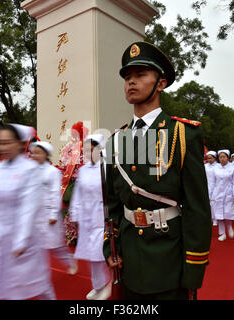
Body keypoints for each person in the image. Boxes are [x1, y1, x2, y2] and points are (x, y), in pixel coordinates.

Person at [103, 41, 212, 300]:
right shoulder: (118, 140)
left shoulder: (181, 134)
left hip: (168, 259)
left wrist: (193, 269)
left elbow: (197, 207)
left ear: (160, 83)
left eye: (141, 75)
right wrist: (111, 246)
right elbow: (114, 203)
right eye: (128, 77)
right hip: (129, 257)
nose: (131, 82)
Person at [0, 124, 55, 300]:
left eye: (7, 142)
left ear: (19, 143)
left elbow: (29, 206)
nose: (3, 147)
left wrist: (21, 240)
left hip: (22, 239)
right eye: (0, 143)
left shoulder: (30, 170)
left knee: (36, 286)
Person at [69, 134, 112, 300]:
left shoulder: (107, 168)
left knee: (100, 253)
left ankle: (107, 283)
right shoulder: (83, 170)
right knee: (90, 255)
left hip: (102, 216)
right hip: (86, 218)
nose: (87, 153)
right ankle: (98, 285)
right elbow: (77, 194)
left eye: (91, 149)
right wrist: (75, 214)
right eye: (85, 150)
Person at [29, 141, 78, 275]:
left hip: (49, 215)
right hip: (35, 215)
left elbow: (55, 194)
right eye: (33, 153)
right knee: (35, 245)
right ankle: (38, 271)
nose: (35, 155)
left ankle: (69, 260)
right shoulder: (31, 171)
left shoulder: (53, 172)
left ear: (46, 155)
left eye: (38, 153)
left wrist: (52, 214)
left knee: (55, 247)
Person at [211, 150, 234, 241]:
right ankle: (222, 234)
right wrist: (211, 194)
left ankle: (229, 227)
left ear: (228, 157)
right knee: (219, 215)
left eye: (224, 157)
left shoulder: (232, 168)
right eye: (220, 157)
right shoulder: (216, 168)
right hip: (218, 193)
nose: (222, 159)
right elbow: (212, 182)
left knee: (227, 213)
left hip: (228, 193)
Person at [205, 151, 219, 226]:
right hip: (207, 186)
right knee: (207, 204)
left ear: (214, 158)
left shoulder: (218, 166)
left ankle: (215, 219)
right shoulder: (205, 166)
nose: (209, 160)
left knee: (214, 204)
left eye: (211, 158)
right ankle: (209, 218)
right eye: (208, 158)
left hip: (215, 186)